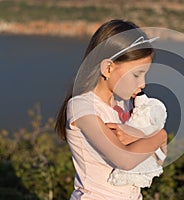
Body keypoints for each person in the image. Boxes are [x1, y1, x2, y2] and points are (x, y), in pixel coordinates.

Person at [55, 19, 167, 200]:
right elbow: (125, 160)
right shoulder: (82, 107)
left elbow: (159, 159)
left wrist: (146, 138)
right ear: (108, 68)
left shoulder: (127, 105)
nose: (143, 83)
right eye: (136, 74)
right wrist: (160, 136)